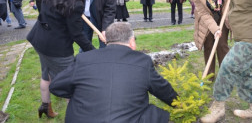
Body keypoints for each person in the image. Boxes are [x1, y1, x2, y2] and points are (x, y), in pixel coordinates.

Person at [49, 22, 178, 123]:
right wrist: (181, 104)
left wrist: (81, 93)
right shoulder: (142, 61)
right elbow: (163, 90)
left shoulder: (84, 58)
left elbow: (56, 86)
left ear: (106, 40)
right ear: (132, 42)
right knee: (156, 114)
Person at [27, 0, 96, 119]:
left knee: (46, 75)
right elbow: (77, 35)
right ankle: (75, 118)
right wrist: (95, 53)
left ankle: (45, 107)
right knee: (70, 87)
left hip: (39, 40)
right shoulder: (75, 5)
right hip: (58, 50)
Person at [186, 0, 230, 80]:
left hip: (221, 18)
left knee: (222, 46)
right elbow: (204, 13)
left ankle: (224, 75)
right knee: (209, 47)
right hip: (206, 21)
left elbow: (227, 0)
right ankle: (210, 76)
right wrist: (215, 29)